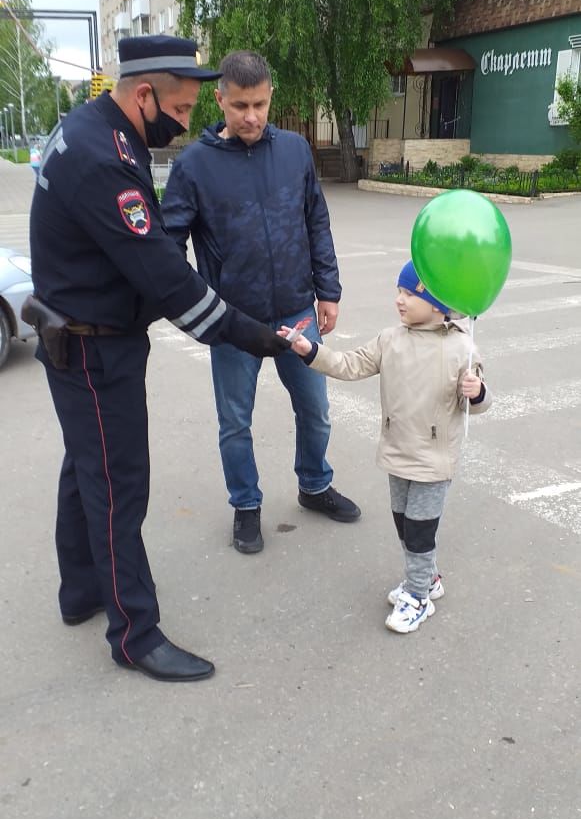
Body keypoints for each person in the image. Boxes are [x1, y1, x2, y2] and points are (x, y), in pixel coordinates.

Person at [24, 35, 291, 683]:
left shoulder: (93, 128)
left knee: (85, 470)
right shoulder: (104, 159)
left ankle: (80, 592)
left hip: (73, 334)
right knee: (118, 486)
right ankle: (133, 632)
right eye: (179, 108)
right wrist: (254, 335)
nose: (185, 121)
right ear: (143, 95)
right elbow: (166, 280)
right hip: (93, 347)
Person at [161, 50, 360, 555]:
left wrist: (328, 291)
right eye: (241, 105)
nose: (251, 117)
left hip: (297, 310)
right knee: (236, 422)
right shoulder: (193, 166)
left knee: (316, 411)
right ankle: (246, 506)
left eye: (261, 105)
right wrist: (203, 312)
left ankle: (314, 486)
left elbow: (316, 220)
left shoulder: (295, 150)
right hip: (234, 321)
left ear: (271, 97)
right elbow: (167, 248)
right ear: (220, 99)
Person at [279, 260, 492, 633]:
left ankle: (418, 597)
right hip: (397, 451)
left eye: (410, 294)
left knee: (419, 528)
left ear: (439, 303)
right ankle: (428, 578)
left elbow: (480, 402)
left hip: (434, 458)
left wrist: (477, 392)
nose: (400, 300)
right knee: (403, 524)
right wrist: (309, 349)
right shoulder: (389, 339)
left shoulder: (462, 347)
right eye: (399, 291)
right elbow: (348, 364)